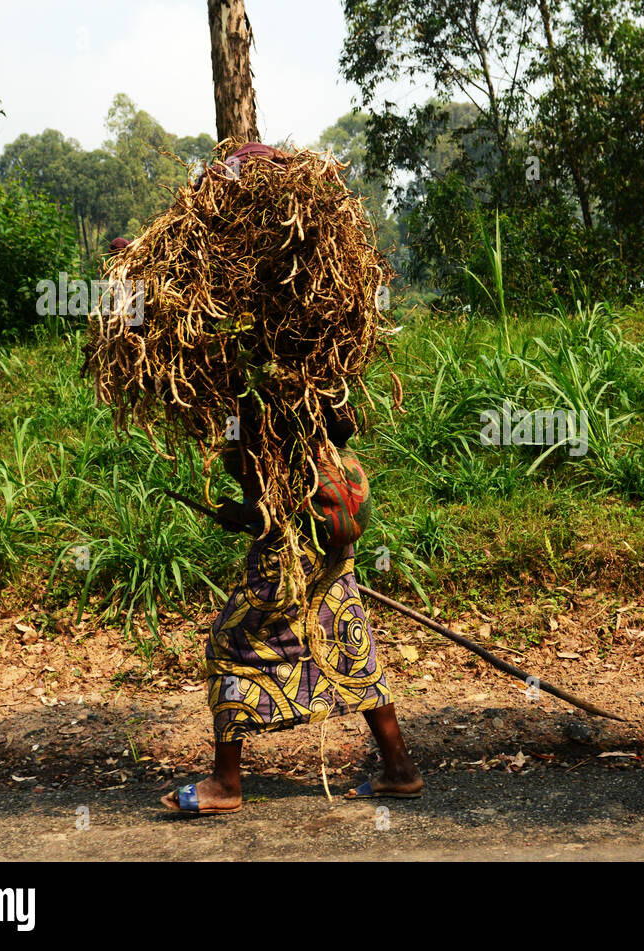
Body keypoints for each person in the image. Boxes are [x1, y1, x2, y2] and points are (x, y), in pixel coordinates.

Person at [161, 143, 422, 814]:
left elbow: (275, 469)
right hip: (324, 524)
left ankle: (226, 784)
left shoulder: (263, 361)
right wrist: (246, 508)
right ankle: (397, 766)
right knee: (344, 637)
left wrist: (250, 513)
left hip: (293, 536)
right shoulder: (310, 351)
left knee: (229, 640)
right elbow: (335, 429)